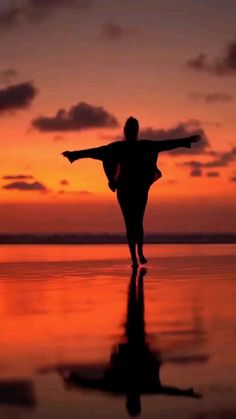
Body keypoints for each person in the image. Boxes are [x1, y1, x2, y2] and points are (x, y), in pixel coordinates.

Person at [62, 117, 200, 267]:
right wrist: (74, 154)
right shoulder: (120, 147)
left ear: (133, 131)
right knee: (132, 223)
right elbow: (96, 152)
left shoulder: (143, 146)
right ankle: (134, 257)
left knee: (137, 222)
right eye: (129, 129)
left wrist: (185, 140)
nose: (130, 131)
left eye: (131, 129)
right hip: (126, 189)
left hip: (138, 188)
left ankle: (139, 253)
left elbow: (165, 144)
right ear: (126, 131)